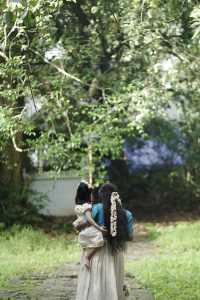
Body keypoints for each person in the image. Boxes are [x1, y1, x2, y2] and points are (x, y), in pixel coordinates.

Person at [75, 183, 133, 300]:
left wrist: (83, 223)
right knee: (113, 281)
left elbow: (80, 226)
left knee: (95, 282)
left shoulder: (96, 208)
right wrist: (116, 232)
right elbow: (130, 237)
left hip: (97, 252)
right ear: (116, 196)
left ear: (101, 195)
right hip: (115, 252)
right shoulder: (126, 213)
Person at [73, 181, 107, 268]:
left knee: (92, 243)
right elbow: (89, 218)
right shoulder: (87, 206)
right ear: (88, 194)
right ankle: (87, 257)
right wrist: (99, 228)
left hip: (83, 230)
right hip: (89, 229)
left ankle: (86, 256)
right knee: (100, 241)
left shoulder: (77, 206)